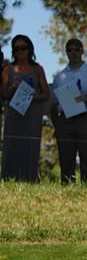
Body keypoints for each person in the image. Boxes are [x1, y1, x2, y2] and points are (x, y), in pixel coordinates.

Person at [52, 38, 87, 184]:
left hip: (86, 119)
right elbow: (53, 102)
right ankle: (67, 188)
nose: (73, 52)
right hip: (65, 120)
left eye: (76, 49)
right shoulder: (59, 77)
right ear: (66, 52)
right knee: (65, 157)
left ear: (82, 51)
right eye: (69, 49)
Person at [1, 35, 49, 182]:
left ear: (30, 49)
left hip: (32, 115)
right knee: (12, 146)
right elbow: (3, 95)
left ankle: (30, 178)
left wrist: (33, 96)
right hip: (13, 114)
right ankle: (8, 178)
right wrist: (11, 89)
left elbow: (46, 94)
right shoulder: (7, 70)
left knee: (30, 146)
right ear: (13, 51)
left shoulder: (38, 69)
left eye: (23, 48)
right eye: (16, 49)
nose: (20, 51)